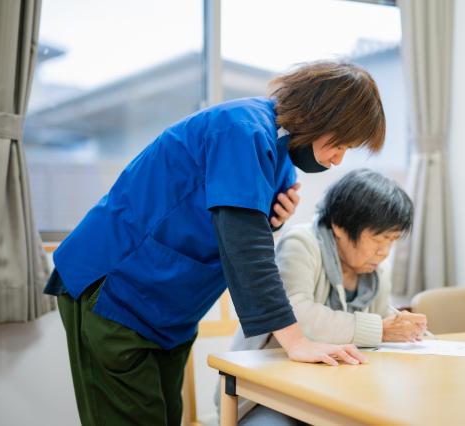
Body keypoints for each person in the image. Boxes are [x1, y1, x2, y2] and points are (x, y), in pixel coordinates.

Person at [43, 61, 386, 426]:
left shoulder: (280, 159)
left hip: (168, 309)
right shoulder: (241, 129)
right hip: (116, 288)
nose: (337, 160)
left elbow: (230, 228)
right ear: (320, 115)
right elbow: (245, 246)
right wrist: (296, 341)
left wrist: (273, 221)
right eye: (341, 144)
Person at [216, 168, 427, 425]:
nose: (384, 252)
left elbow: (382, 331)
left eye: (392, 241)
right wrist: (380, 330)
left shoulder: (376, 272)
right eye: (378, 239)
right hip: (271, 395)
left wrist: (408, 332)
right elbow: (296, 312)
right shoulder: (301, 243)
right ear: (339, 225)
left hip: (339, 395)